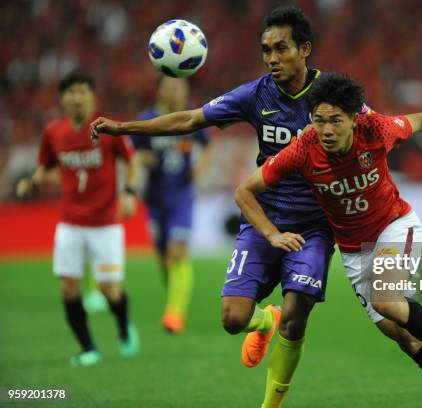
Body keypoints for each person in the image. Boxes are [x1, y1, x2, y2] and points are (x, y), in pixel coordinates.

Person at [91, 6, 336, 406]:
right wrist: (124, 127)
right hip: (263, 216)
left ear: (305, 49)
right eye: (265, 50)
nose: (271, 58)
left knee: (297, 312)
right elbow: (189, 120)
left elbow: (374, 130)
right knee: (232, 319)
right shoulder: (255, 94)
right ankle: (264, 320)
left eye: (281, 49)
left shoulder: (333, 93)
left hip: (313, 223)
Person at [234, 73, 422, 407]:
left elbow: (421, 120)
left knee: (386, 300)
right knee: (404, 338)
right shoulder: (303, 150)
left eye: (335, 120)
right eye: (319, 121)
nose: (327, 130)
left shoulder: (376, 129)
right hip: (354, 251)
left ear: (353, 119)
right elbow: (244, 191)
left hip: (394, 225)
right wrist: (271, 234)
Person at [16, 71, 140, 366]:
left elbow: (130, 160)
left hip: (106, 224)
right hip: (70, 223)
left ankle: (123, 326)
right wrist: (31, 183)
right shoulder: (53, 133)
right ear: (63, 98)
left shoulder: (107, 129)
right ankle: (88, 349)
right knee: (68, 286)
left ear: (92, 97)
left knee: (111, 290)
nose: (77, 97)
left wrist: (130, 192)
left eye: (83, 91)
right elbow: (45, 167)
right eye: (71, 92)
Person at [131, 76, 210, 334]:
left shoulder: (193, 117)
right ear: (159, 91)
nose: (175, 90)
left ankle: (175, 314)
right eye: (169, 86)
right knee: (163, 259)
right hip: (154, 198)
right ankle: (174, 299)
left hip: (181, 197)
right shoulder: (147, 119)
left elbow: (207, 147)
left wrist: (199, 168)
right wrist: (142, 160)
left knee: (178, 252)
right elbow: (133, 154)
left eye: (180, 86)